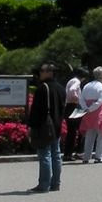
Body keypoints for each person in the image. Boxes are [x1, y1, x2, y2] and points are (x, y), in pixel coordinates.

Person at [26, 62, 66, 193]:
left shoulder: (42, 88)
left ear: (50, 72)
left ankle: (44, 184)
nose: (40, 73)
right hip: (57, 125)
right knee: (56, 154)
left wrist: (31, 126)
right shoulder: (61, 88)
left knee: (45, 155)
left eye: (42, 71)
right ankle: (56, 183)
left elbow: (36, 110)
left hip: (44, 126)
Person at [77, 67, 102, 164]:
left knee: (89, 134)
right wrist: (92, 107)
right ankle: (99, 156)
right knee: (101, 134)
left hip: (88, 113)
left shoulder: (87, 86)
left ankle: (86, 156)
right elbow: (101, 100)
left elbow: (81, 98)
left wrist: (86, 108)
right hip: (100, 112)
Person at [62, 66, 85, 157]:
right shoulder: (76, 81)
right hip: (74, 106)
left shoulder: (71, 80)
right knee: (77, 130)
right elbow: (72, 91)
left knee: (71, 131)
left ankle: (68, 153)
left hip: (68, 106)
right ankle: (75, 152)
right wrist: (79, 99)